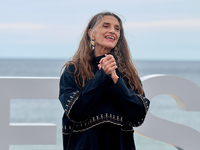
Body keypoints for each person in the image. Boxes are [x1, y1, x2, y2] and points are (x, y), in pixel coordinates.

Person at [59, 12, 150, 150]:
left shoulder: (127, 73)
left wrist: (116, 81)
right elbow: (76, 112)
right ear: (92, 34)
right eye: (106, 26)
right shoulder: (73, 70)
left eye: (117, 28)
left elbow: (138, 116)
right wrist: (102, 76)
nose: (112, 31)